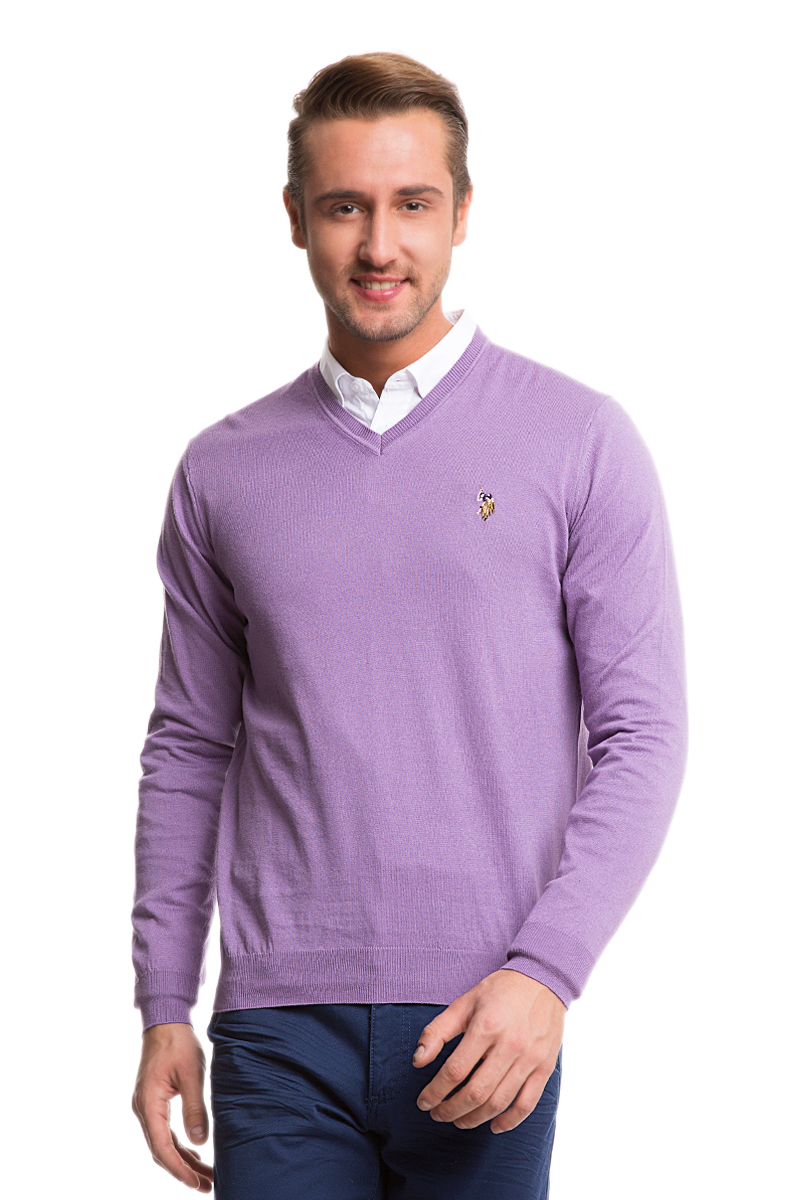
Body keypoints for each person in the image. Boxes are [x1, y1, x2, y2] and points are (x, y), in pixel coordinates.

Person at [130, 51, 688, 1199]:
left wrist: (546, 973)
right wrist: (162, 1000)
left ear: (461, 213)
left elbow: (641, 735)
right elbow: (187, 746)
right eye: (345, 206)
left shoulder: (577, 440)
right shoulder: (222, 471)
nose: (379, 245)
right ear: (296, 217)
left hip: (488, 1017)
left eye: (412, 205)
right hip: (277, 1028)